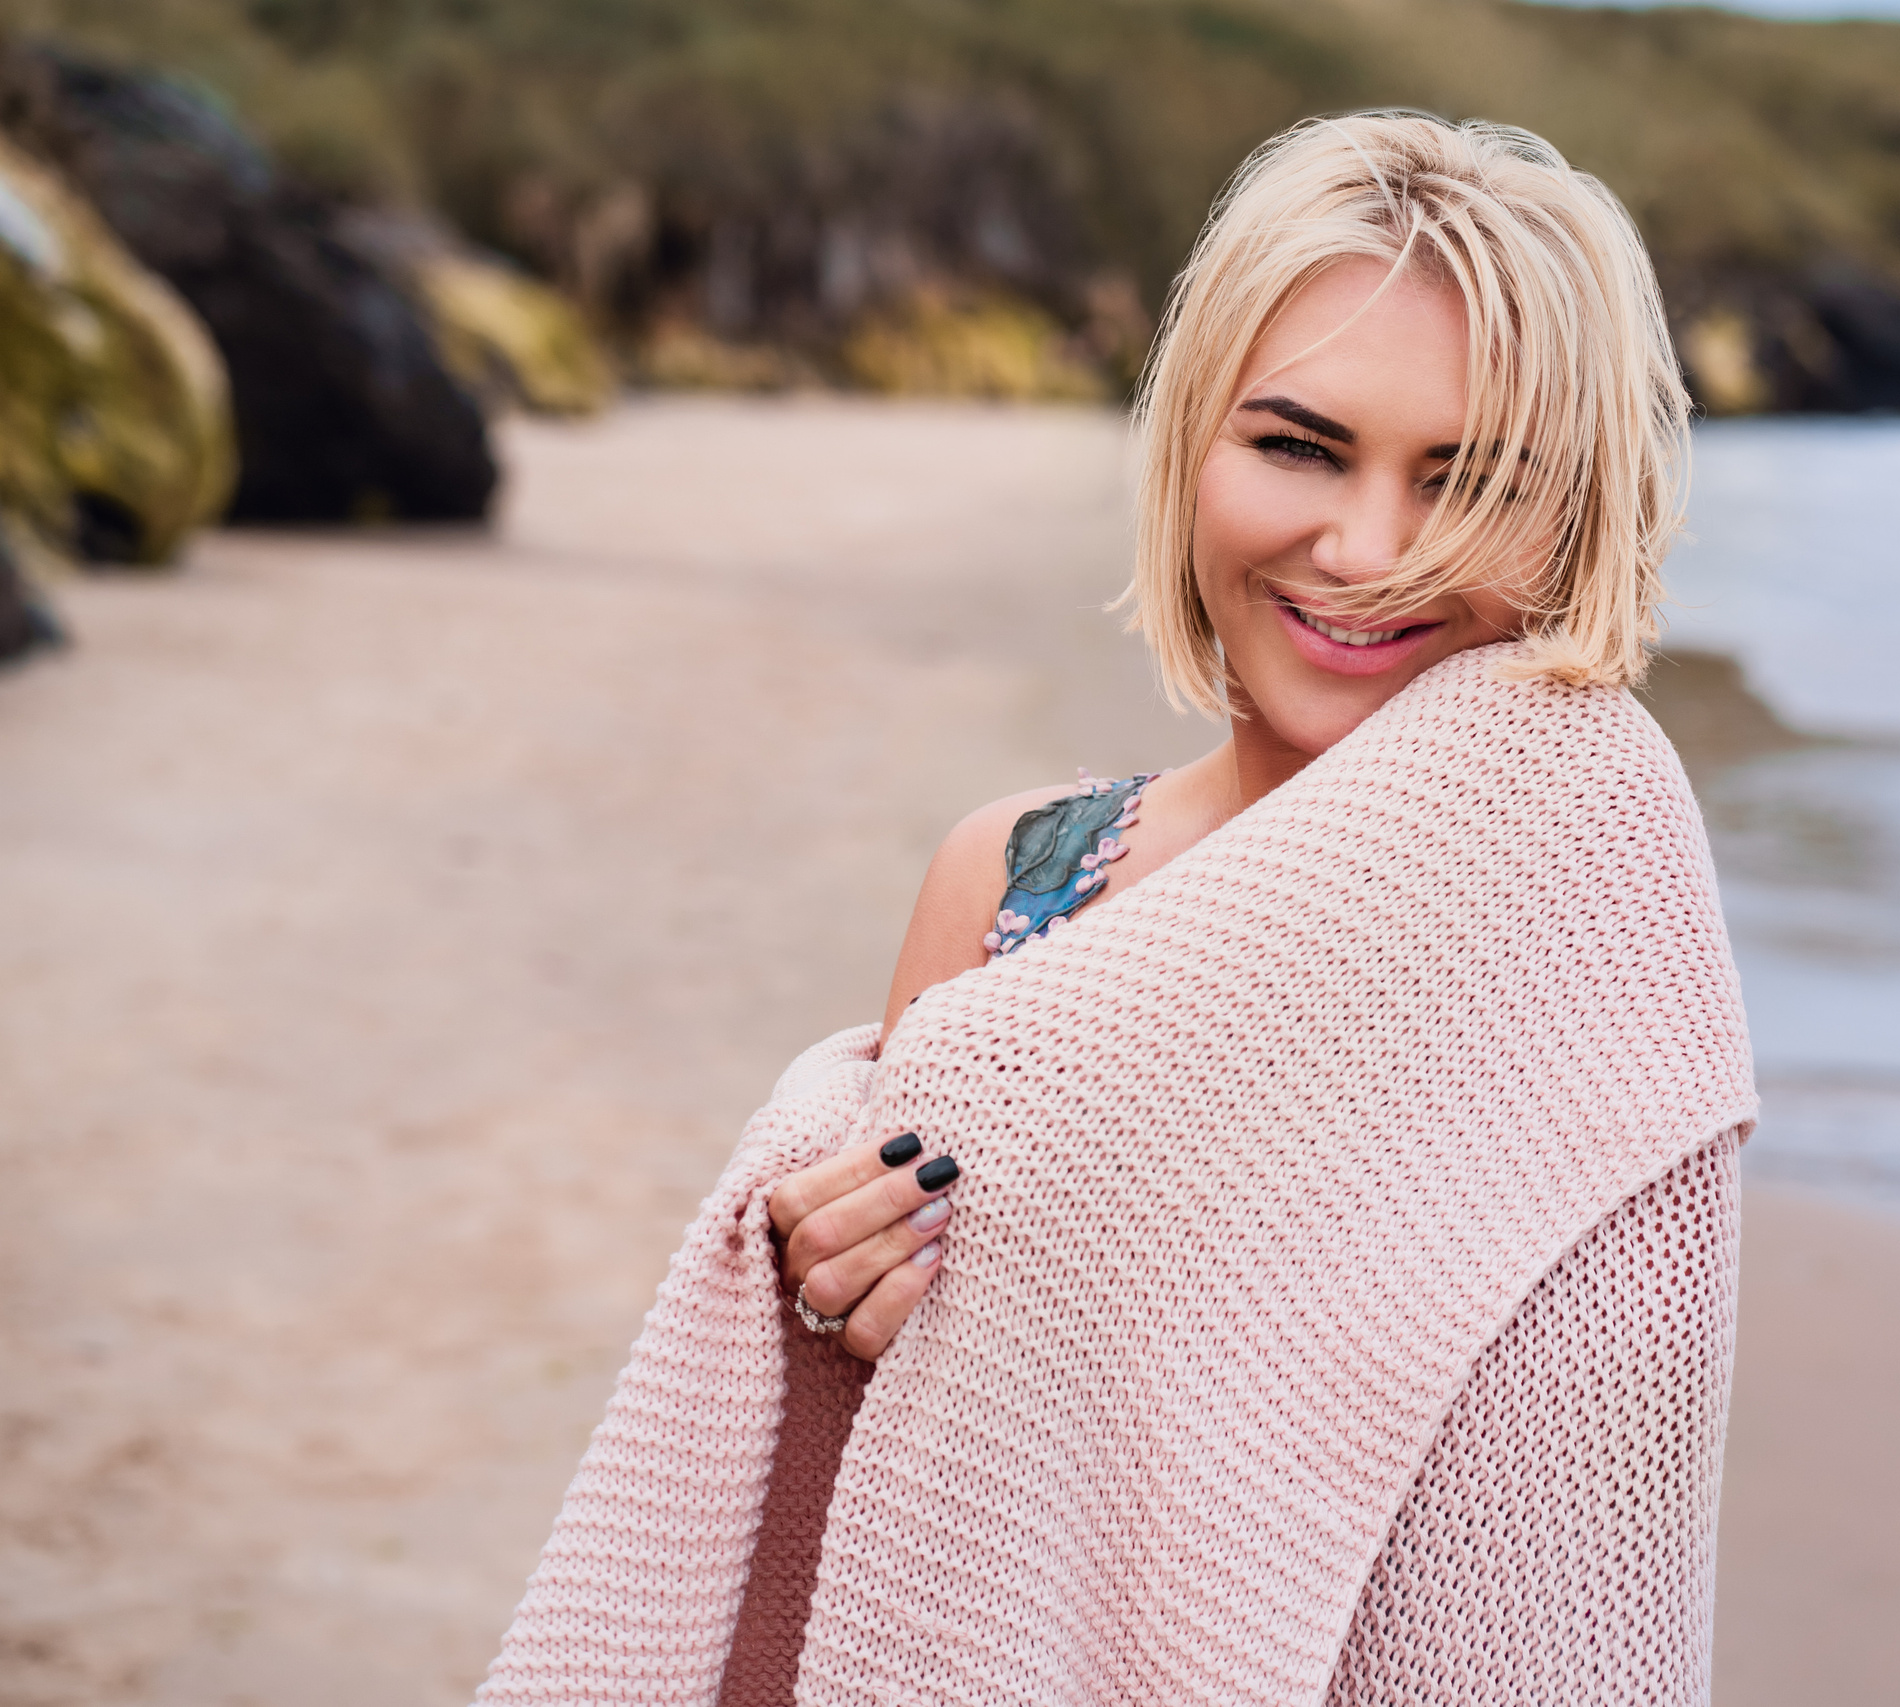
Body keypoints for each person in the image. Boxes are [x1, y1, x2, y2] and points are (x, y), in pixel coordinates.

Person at [482, 110, 1753, 1707]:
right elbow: (905, 1480)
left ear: (1577, 512)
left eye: (1471, 478)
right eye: (1297, 444)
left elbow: (1570, 1483)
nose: (1366, 548)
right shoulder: (1013, 879)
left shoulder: (1582, 900)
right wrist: (828, 1292)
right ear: (1191, 449)